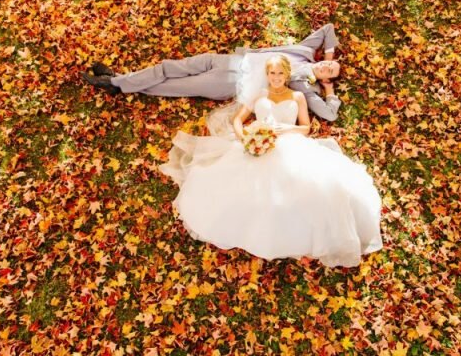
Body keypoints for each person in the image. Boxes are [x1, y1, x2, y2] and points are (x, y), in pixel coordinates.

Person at [159, 55, 382, 268]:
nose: (276, 77)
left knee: (311, 186)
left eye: (280, 73)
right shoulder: (259, 95)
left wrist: (288, 128)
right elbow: (238, 120)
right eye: (272, 73)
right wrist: (245, 137)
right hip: (256, 142)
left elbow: (306, 128)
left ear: (287, 75)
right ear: (267, 74)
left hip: (290, 143)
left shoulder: (297, 96)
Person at [82, 24, 342, 121]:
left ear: (325, 78)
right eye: (329, 63)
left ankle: (115, 82)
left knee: (172, 85)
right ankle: (119, 81)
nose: (326, 66)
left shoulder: (306, 87)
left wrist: (329, 90)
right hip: (228, 61)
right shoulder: (306, 51)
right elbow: (328, 29)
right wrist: (329, 59)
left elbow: (329, 114)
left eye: (329, 71)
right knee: (168, 67)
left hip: (230, 82)